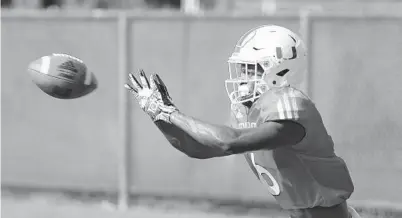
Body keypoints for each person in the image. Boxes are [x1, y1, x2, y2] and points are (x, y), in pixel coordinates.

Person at [124, 25, 361, 218]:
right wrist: (159, 117)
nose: (242, 77)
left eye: (250, 69)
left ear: (279, 72)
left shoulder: (291, 104)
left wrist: (171, 113)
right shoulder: (252, 111)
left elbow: (229, 142)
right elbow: (197, 148)